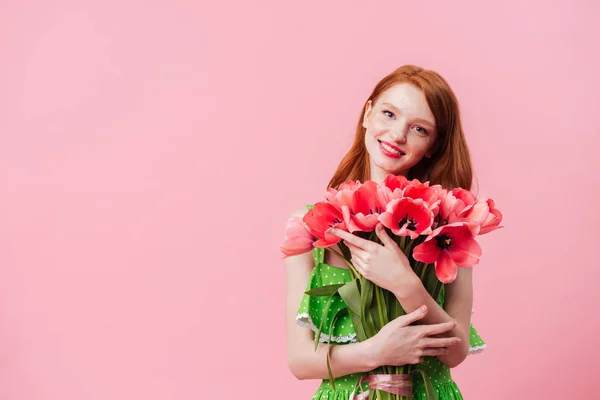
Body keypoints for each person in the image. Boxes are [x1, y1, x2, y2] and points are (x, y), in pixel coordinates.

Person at [284, 64, 487, 399]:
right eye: (389, 114)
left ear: (433, 145)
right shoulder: (312, 224)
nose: (397, 135)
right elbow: (300, 360)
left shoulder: (448, 226)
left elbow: (455, 352)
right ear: (367, 113)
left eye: (419, 129)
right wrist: (377, 353)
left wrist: (405, 284)